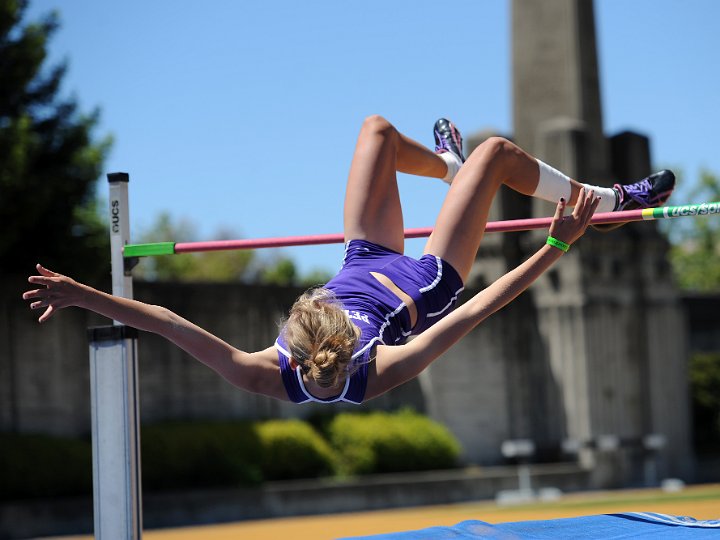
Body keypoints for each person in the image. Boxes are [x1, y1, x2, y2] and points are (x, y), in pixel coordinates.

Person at [23, 115, 675, 404]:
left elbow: (164, 320)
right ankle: (604, 200)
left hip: (363, 256)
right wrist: (560, 242)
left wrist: (84, 294)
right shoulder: (379, 370)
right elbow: (482, 303)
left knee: (378, 133)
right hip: (428, 279)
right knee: (498, 154)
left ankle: (445, 168)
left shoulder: (262, 373)